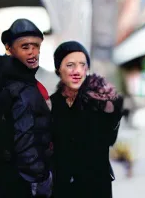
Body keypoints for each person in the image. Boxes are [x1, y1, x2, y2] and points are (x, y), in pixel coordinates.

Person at [0, 19, 53, 198]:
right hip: (26, 185)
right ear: (10, 49)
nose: (32, 52)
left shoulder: (11, 83)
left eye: (36, 46)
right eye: (25, 47)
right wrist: (42, 180)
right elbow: (25, 142)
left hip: (11, 181)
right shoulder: (21, 89)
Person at [51, 41, 123, 198]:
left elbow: (109, 138)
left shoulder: (99, 102)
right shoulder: (51, 104)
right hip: (62, 186)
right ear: (58, 69)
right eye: (70, 65)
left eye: (82, 65)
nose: (77, 71)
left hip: (95, 185)